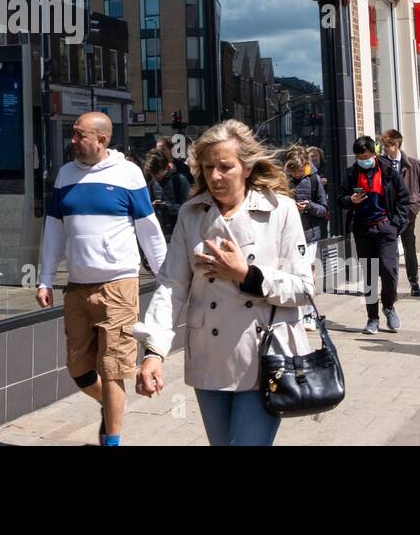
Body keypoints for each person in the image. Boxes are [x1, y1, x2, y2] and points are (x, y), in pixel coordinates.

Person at [134, 120, 312, 446]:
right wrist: (154, 351)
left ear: (246, 167)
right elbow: (172, 286)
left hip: (264, 358)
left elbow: (303, 288)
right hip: (210, 357)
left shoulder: (280, 210)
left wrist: (247, 275)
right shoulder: (191, 215)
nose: (215, 176)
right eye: (207, 167)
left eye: (225, 167)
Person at [35, 112, 166, 447]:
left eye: (79, 135)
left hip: (119, 286)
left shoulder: (128, 174)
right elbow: (53, 230)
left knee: (113, 369)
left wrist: (167, 278)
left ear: (102, 140)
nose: (73, 141)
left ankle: (112, 440)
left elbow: (149, 233)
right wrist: (45, 279)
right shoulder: (65, 175)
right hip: (77, 287)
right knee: (78, 369)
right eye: (73, 134)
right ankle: (111, 404)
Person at [339, 135, 409, 334]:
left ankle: (389, 306)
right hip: (363, 229)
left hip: (386, 228)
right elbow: (340, 199)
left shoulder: (388, 171)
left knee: (389, 271)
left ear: (374, 153)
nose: (363, 160)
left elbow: (403, 199)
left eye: (367, 156)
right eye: (359, 157)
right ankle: (372, 318)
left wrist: (395, 224)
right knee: (369, 275)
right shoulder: (352, 173)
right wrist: (350, 200)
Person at [379, 129, 420, 298]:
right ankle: (391, 286)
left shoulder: (413, 164)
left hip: (408, 214)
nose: (384, 149)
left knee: (409, 249)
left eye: (387, 145)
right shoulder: (380, 164)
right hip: (388, 215)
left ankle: (414, 282)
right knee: (390, 252)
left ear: (396, 145)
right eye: (383, 145)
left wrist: (417, 205)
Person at [284, 148, 326, 330]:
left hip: (309, 233)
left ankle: (309, 312)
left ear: (305, 166)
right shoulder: (283, 180)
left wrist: (309, 207)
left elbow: (324, 209)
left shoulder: (315, 180)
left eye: (298, 171)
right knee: (290, 272)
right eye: (293, 171)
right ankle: (294, 312)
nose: (296, 174)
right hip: (288, 233)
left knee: (307, 272)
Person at [144, 148, 190, 239]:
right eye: (153, 174)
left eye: (157, 173)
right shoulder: (153, 183)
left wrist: (168, 206)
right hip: (160, 232)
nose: (156, 176)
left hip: (178, 232)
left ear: (165, 167)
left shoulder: (179, 180)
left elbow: (189, 208)